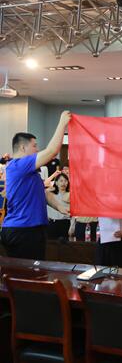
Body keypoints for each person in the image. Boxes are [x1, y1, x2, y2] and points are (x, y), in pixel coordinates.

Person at [1, 111, 71, 260]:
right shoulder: (18, 165)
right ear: (22, 148)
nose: (37, 149)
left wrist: (59, 207)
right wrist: (62, 123)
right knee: (26, 272)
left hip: (31, 229)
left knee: (34, 269)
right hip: (23, 229)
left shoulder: (29, 171)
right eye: (34, 146)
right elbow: (52, 151)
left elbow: (43, 193)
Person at [46, 172, 71, 240]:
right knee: (51, 244)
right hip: (52, 223)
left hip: (65, 223)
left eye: (65, 181)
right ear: (56, 182)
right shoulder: (50, 195)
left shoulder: (70, 194)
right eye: (61, 181)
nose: (63, 183)